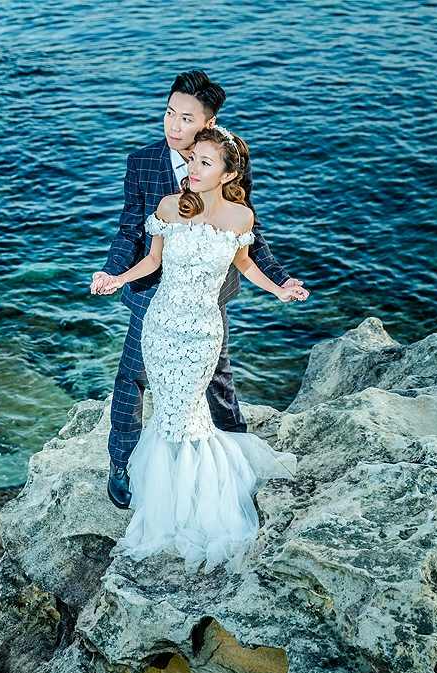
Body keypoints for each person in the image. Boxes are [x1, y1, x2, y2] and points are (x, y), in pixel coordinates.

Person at [92, 126, 304, 573]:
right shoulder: (170, 206)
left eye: (205, 163)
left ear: (228, 175)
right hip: (161, 326)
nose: (192, 168)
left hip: (203, 332)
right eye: (192, 160)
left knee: (188, 414)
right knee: (167, 410)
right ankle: (166, 493)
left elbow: (245, 264)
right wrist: (116, 278)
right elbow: (152, 260)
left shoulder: (240, 218)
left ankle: (198, 499)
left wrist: (280, 289)